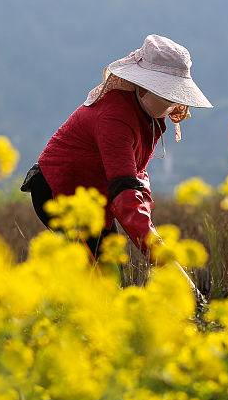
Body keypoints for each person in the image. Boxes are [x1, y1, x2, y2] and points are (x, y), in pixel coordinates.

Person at [21, 34, 212, 260]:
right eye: (164, 92)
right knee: (98, 269)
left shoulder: (149, 117)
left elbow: (136, 175)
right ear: (143, 85)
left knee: (109, 267)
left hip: (94, 195)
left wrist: (153, 240)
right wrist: (158, 253)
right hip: (60, 189)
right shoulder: (115, 117)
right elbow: (125, 191)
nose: (171, 101)